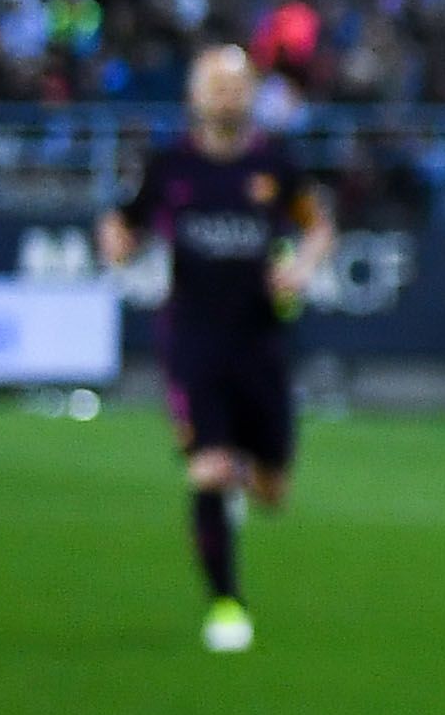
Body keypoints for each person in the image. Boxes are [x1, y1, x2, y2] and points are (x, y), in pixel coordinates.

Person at [97, 42, 330, 653]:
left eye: (237, 84)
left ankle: (247, 479)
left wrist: (302, 267)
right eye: (215, 85)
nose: (227, 95)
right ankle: (226, 603)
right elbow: (123, 222)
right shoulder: (170, 167)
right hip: (193, 340)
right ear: (194, 96)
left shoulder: (277, 166)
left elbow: (318, 227)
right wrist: (116, 244)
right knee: (209, 468)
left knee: (273, 490)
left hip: (261, 342)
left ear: (252, 93)